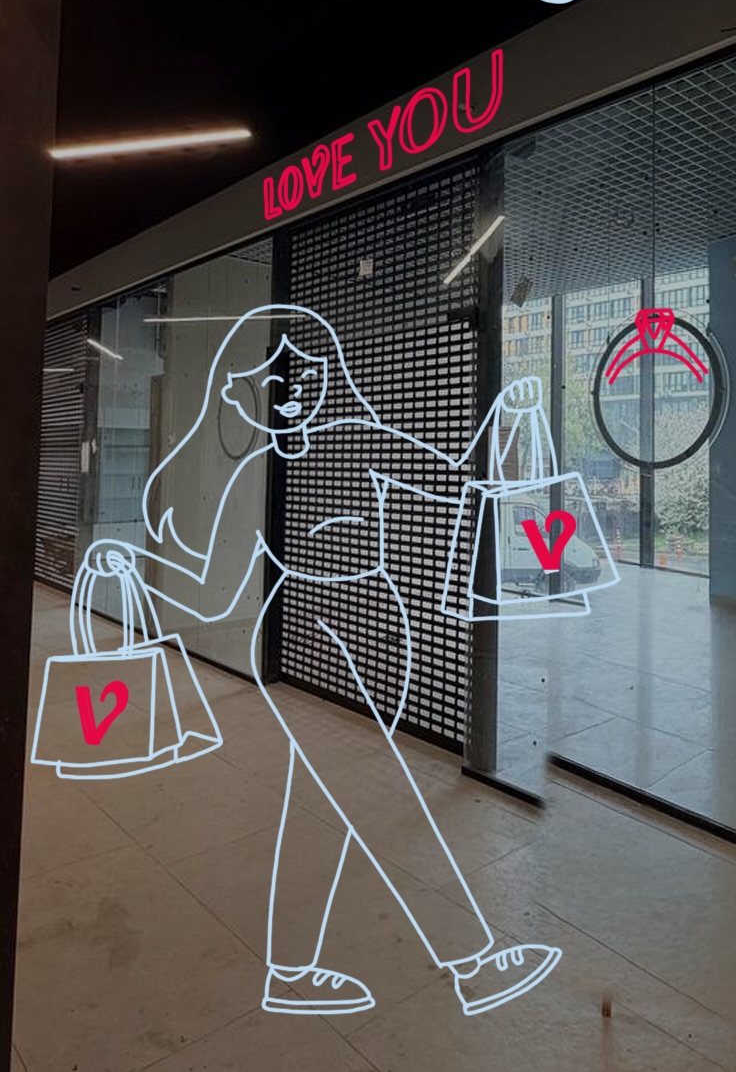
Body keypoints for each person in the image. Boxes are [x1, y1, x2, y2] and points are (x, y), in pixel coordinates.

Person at [84, 303, 560, 1018]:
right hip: (314, 624)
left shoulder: (356, 437)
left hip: (377, 625)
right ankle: (472, 958)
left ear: (328, 375)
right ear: (244, 390)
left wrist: (510, 415)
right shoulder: (259, 467)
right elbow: (216, 597)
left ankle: (290, 969)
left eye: (305, 375)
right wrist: (128, 575)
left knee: (318, 803)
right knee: (373, 786)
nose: (292, 391)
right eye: (275, 381)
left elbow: (458, 477)